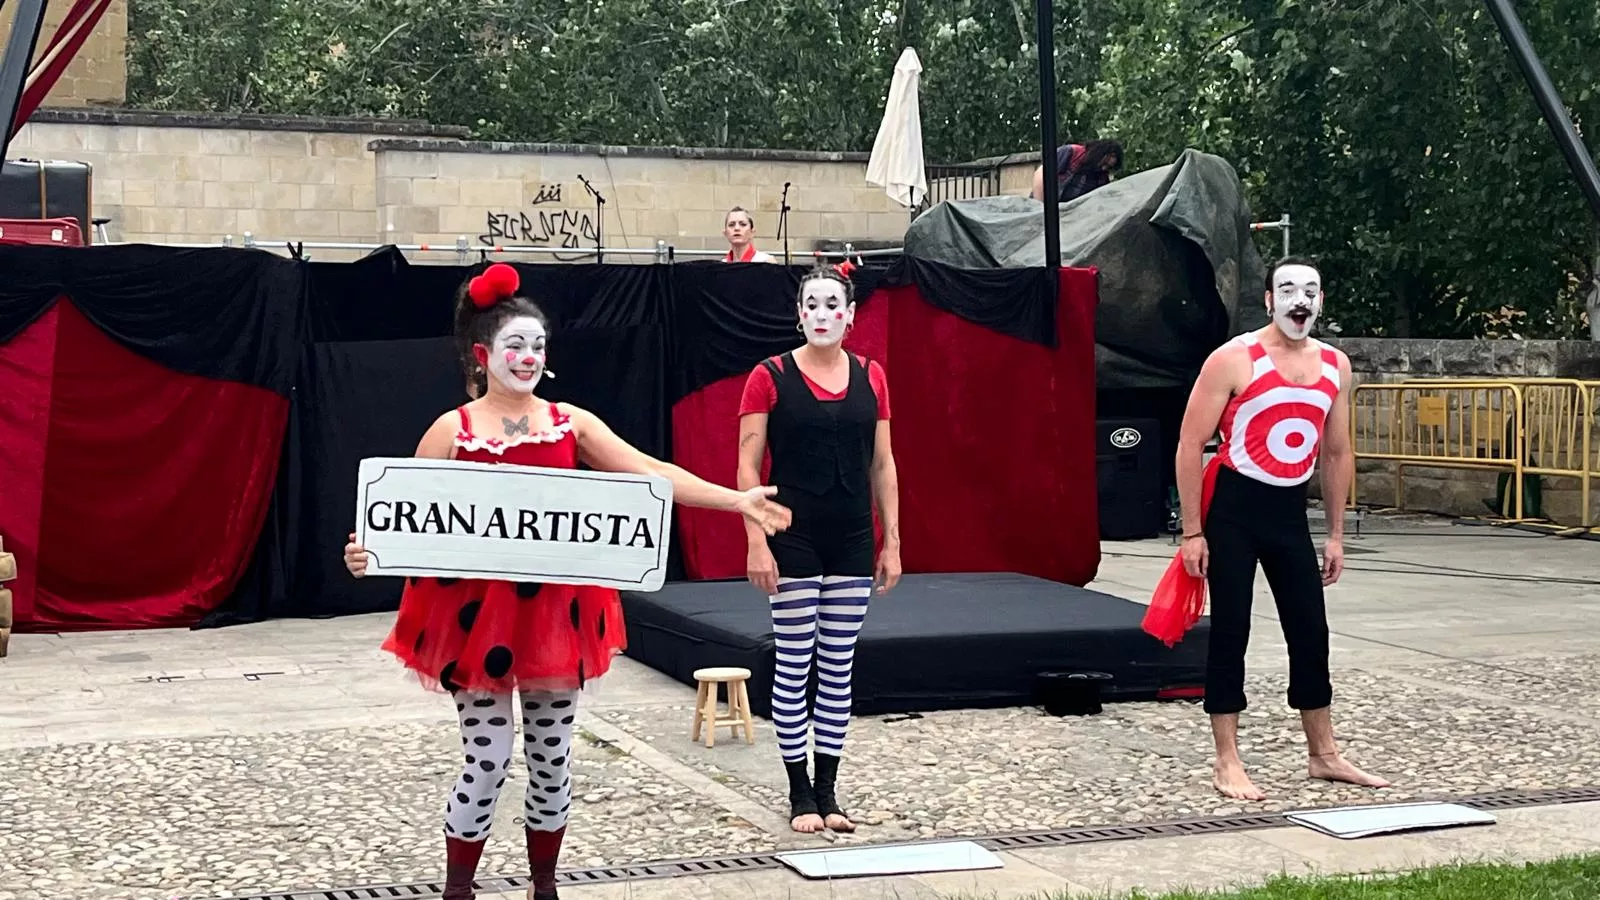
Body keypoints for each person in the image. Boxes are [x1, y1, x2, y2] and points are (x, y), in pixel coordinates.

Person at [342, 262, 792, 900]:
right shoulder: (455, 429)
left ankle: (545, 885)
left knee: (552, 759)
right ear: (483, 354)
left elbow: (649, 471)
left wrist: (734, 500)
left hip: (556, 617)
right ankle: (458, 888)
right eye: (514, 346)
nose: (527, 357)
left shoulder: (570, 423)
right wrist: (370, 554)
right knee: (488, 758)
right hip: (478, 620)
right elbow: (405, 516)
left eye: (537, 346)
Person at [1169, 256, 1389, 801]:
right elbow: (1189, 444)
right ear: (1268, 300)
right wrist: (1193, 530)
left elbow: (1337, 453)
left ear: (1321, 301)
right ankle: (1227, 759)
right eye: (1287, 289)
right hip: (1235, 510)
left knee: (1310, 631)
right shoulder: (1233, 359)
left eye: (1310, 291)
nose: (1300, 300)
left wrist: (1335, 533)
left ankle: (1324, 753)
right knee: (1231, 631)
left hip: (1289, 511)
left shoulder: (1335, 365)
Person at [736, 262, 902, 835]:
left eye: (834, 304)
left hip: (853, 535)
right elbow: (746, 466)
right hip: (792, 535)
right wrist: (757, 540)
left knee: (837, 665)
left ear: (851, 316)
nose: (824, 314)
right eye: (814, 304)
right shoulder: (769, 375)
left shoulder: (871, 375)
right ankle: (798, 790)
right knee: (794, 660)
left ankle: (829, 788)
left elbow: (883, 463)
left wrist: (893, 542)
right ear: (799, 313)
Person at [1029, 139, 1123, 204]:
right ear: (1100, 153)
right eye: (1104, 163)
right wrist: (1041, 209)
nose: (1104, 168)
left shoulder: (1101, 177)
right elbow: (1040, 175)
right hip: (1044, 206)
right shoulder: (1071, 153)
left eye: (1108, 167)